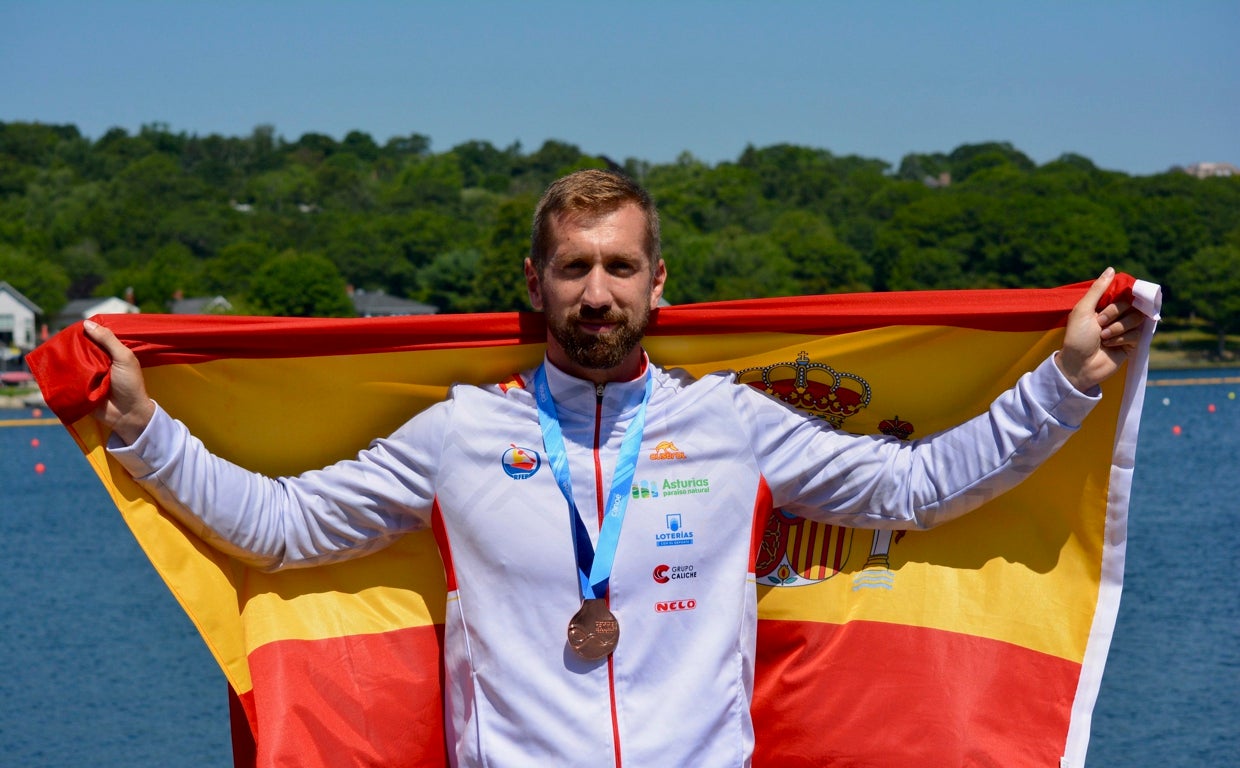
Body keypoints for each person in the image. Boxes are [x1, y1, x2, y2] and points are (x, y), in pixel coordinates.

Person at [85, 169, 1145, 768]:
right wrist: (142, 430)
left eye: (620, 267)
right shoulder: (456, 435)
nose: (598, 292)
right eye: (575, 267)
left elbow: (914, 489)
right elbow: (280, 527)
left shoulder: (733, 424)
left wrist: (1063, 381)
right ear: (536, 282)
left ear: (657, 283)